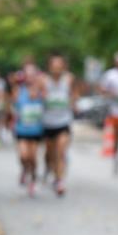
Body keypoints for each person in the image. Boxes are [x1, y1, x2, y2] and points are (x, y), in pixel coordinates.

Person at [42, 52, 76, 196]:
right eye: (54, 66)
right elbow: (34, 95)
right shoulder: (42, 80)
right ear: (49, 67)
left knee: (60, 152)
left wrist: (73, 102)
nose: (56, 68)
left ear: (63, 67)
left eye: (59, 65)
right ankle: (49, 168)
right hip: (48, 123)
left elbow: (74, 95)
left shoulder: (69, 79)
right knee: (50, 154)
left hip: (63, 122)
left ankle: (59, 180)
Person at [12, 63, 45, 197]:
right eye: (28, 74)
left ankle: (33, 179)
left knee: (33, 157)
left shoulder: (42, 91)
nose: (30, 77)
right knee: (24, 155)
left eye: (33, 74)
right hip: (22, 129)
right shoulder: (18, 90)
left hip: (36, 130)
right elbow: (13, 106)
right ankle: (25, 170)